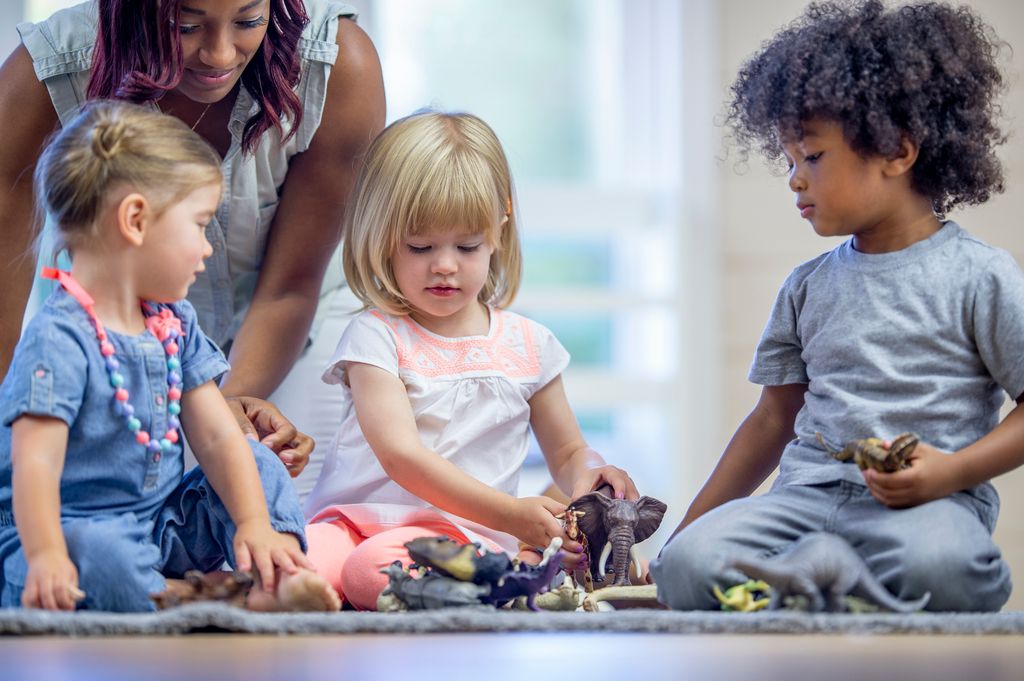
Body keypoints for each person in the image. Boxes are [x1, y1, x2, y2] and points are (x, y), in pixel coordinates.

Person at [651, 0, 1021, 612]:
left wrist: (949, 474)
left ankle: (815, 589)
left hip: (928, 506)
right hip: (806, 500)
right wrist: (685, 532)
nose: (795, 179)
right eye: (790, 160)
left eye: (813, 157)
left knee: (947, 568)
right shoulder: (806, 285)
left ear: (898, 152)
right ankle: (843, 589)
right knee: (688, 567)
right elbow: (772, 420)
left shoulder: (981, 275)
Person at [0, 0, 386, 499]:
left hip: (299, 326)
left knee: (276, 494)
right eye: (184, 25)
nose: (219, 54)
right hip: (115, 338)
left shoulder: (337, 68)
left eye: (248, 21)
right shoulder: (47, 73)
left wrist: (227, 410)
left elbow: (290, 286)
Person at [0, 100, 341, 613]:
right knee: (99, 554)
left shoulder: (173, 322)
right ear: (135, 220)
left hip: (156, 523)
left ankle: (279, 572)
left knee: (257, 460)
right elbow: (36, 462)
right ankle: (183, 597)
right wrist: (48, 555)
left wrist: (252, 524)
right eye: (200, 225)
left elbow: (219, 435)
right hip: (55, 531)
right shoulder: (59, 340)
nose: (207, 248)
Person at [301, 111, 642, 610]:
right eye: (419, 246)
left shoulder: (530, 344)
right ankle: (507, 586)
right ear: (381, 235)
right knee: (298, 562)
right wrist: (513, 514)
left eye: (467, 245)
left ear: (499, 227)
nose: (444, 264)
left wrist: (594, 472)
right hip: (352, 521)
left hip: (463, 537)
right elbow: (401, 457)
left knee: (365, 571)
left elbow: (568, 452)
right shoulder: (376, 335)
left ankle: (502, 577)